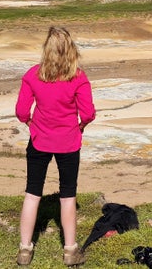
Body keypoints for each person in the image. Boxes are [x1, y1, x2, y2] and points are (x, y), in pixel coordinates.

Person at [15, 26, 96, 266]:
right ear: (71, 50)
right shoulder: (78, 77)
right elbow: (89, 112)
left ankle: (25, 250)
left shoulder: (32, 74)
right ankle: (70, 251)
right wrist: (80, 126)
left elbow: (21, 111)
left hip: (39, 139)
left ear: (46, 50)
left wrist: (30, 122)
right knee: (68, 195)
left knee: (32, 193)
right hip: (69, 141)